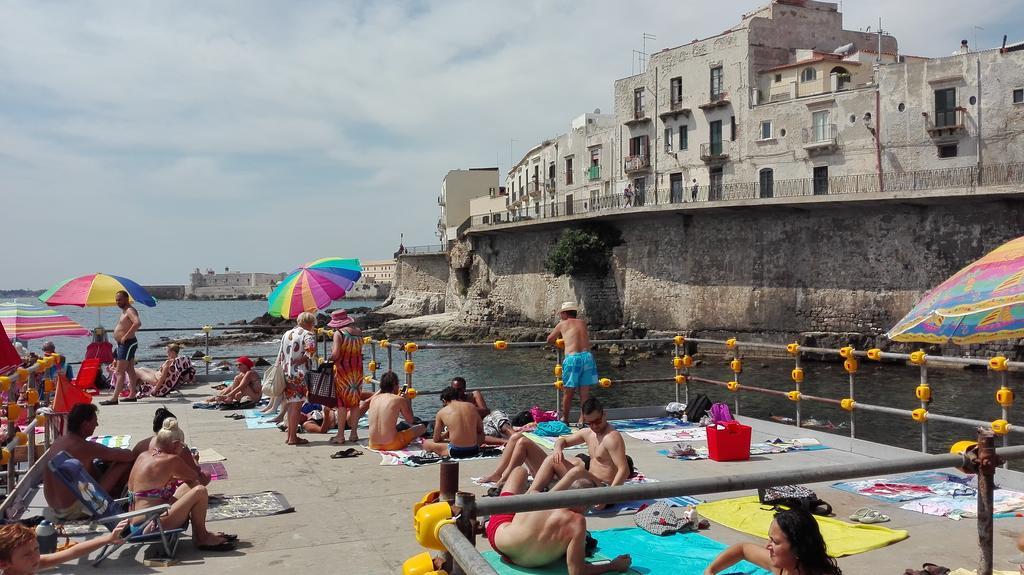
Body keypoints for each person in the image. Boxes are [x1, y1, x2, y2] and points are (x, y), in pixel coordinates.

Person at [487, 466, 631, 575]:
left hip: (501, 543)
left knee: (519, 471)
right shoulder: (577, 523)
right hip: (530, 563)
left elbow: (567, 481)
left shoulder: (537, 496)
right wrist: (612, 566)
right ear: (588, 505)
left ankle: (493, 506)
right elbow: (577, 571)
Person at [127, 418, 236, 551]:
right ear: (176, 444)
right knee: (200, 490)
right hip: (149, 526)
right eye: (183, 445)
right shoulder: (171, 460)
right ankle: (201, 537)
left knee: (192, 487)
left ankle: (202, 534)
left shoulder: (144, 455)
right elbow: (197, 476)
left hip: (136, 521)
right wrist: (194, 460)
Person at [43, 404, 136, 520]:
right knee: (123, 463)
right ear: (85, 424)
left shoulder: (60, 441)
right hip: (71, 511)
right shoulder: (85, 447)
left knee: (92, 465)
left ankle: (114, 492)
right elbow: (129, 455)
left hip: (54, 508)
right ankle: (124, 496)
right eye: (95, 421)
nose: (96, 425)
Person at [530, 398, 631, 500]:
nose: (594, 426)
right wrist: (557, 449)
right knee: (552, 459)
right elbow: (562, 441)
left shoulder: (612, 438)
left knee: (578, 471)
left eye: (597, 421)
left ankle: (545, 500)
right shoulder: (588, 433)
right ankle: (528, 497)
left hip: (603, 487)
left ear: (604, 414)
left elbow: (624, 470)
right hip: (589, 481)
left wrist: (608, 497)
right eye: (590, 423)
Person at [704, 509, 841, 575]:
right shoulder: (785, 567)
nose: (767, 546)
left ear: (798, 549)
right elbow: (743, 549)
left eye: (775, 541)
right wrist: (710, 570)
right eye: (769, 539)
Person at [0, 520, 130, 575]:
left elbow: (72, 552)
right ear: (4, 564)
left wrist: (107, 539)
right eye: (27, 555)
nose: (36, 556)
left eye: (36, 549)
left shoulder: (29, 565)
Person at [131, 407, 210, 486]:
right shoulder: (173, 457)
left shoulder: (142, 448)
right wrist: (195, 460)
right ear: (176, 443)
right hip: (157, 494)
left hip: (137, 491)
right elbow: (195, 475)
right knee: (203, 480)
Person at [547, 301, 597, 425]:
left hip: (572, 358)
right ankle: (582, 419)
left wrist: (560, 341)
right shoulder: (582, 323)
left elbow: (549, 339)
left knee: (568, 392)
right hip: (587, 357)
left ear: (564, 313)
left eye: (561, 313)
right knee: (584, 392)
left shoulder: (562, 324)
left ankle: (565, 418)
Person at [278, 312, 317, 446]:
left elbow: (282, 353)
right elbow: (311, 351)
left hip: (287, 372)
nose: (313, 326)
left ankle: (290, 435)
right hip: (300, 373)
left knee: (291, 404)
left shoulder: (287, 334)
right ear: (309, 323)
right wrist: (302, 359)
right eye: (313, 324)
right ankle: (293, 437)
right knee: (297, 405)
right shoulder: (308, 334)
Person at [329, 309, 364, 445]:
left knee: (342, 404)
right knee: (355, 403)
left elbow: (336, 354)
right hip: (357, 372)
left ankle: (340, 435)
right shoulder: (359, 332)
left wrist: (329, 358)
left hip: (343, 372)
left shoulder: (339, 334)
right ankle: (354, 434)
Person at [101, 290, 142, 405]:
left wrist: (125, 336)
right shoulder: (124, 311)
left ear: (126, 299)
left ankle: (114, 398)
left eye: (120, 299)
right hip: (124, 344)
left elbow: (137, 323)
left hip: (127, 343)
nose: (118, 302)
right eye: (116, 300)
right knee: (130, 370)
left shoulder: (129, 310)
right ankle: (132, 394)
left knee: (119, 371)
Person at [367, 371, 425, 451]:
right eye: (398, 385)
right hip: (391, 444)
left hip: (373, 444)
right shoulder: (399, 399)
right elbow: (410, 420)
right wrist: (406, 399)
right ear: (394, 384)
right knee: (421, 428)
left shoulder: (374, 399)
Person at [423, 387, 486, 458]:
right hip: (474, 449)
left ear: (444, 400)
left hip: (455, 451)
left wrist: (446, 434)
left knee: (426, 443)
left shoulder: (441, 412)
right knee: (481, 435)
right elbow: (480, 430)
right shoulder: (472, 406)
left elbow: (436, 439)